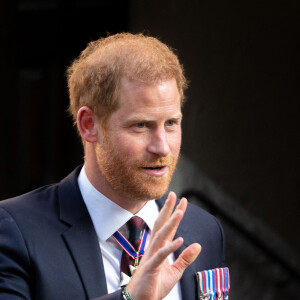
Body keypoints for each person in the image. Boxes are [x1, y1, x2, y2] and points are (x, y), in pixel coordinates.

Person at [0, 33, 225, 300]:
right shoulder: (16, 231)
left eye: (171, 123)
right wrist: (129, 298)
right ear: (89, 125)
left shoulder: (204, 229)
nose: (162, 147)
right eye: (141, 125)